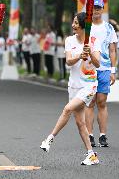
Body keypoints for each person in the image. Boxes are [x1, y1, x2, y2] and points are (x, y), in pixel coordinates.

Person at [40, 12, 101, 165]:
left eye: (75, 23)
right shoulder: (69, 40)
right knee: (80, 123)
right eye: (73, 22)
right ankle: (91, 154)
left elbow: (98, 63)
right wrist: (80, 55)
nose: (73, 25)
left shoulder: (93, 41)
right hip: (73, 85)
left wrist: (90, 54)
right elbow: (68, 61)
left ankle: (49, 139)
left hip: (88, 85)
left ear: (82, 26)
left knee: (67, 109)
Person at [85, 0, 118, 147]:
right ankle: (90, 135)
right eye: (93, 8)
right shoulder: (86, 27)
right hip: (89, 69)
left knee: (102, 102)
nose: (96, 11)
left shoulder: (109, 28)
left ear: (102, 9)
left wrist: (113, 70)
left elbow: (112, 50)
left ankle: (103, 135)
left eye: (98, 8)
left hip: (104, 68)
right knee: (90, 102)